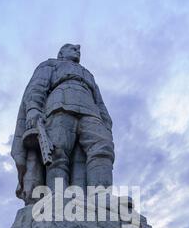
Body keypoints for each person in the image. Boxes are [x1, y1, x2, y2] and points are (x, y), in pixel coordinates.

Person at [12, 44, 114, 204]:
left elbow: (99, 101)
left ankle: (101, 195)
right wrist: (33, 108)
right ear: (61, 53)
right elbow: (37, 86)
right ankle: (57, 194)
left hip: (91, 110)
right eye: (72, 48)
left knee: (103, 146)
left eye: (78, 50)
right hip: (59, 105)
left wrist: (106, 122)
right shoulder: (50, 64)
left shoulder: (88, 75)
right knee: (57, 152)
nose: (77, 50)